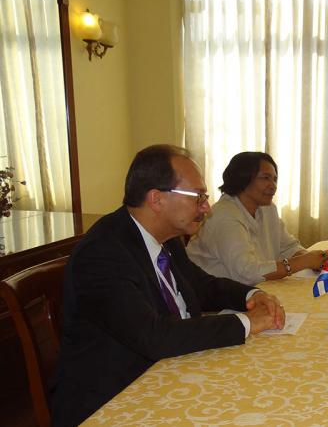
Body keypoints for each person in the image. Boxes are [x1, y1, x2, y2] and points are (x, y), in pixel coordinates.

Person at [50, 145, 285, 426]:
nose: (207, 207)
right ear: (156, 199)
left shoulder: (166, 237)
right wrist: (246, 322)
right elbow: (154, 335)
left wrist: (251, 295)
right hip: (118, 397)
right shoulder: (103, 253)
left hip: (174, 371)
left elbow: (201, 285)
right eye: (198, 197)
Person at [187, 152, 327, 285]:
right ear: (242, 179)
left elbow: (287, 246)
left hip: (256, 290)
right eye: (265, 178)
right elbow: (247, 272)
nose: (273, 186)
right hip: (218, 303)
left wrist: (314, 258)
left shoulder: (267, 208)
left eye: (275, 179)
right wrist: (304, 261)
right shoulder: (224, 215)